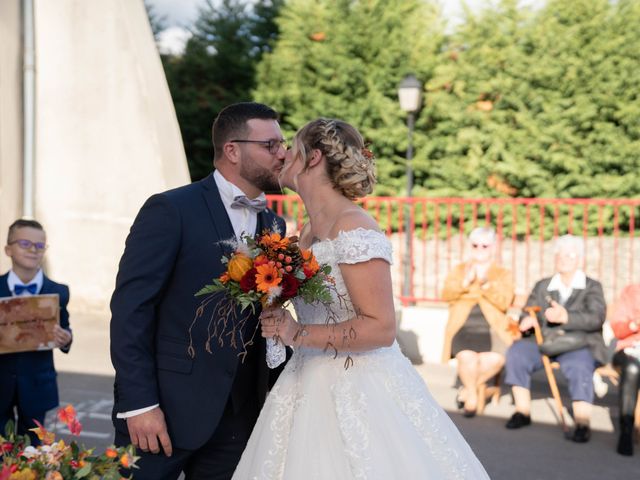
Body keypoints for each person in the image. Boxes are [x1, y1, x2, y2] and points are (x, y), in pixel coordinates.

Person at [232, 118, 490, 479]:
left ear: (315, 157)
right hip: (304, 380)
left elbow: (381, 328)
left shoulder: (353, 226)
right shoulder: (305, 231)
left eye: (293, 146)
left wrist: (297, 333)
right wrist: (272, 299)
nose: (285, 153)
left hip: (361, 386)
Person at [110, 102, 287, 479]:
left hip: (238, 418)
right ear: (232, 150)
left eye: (282, 145)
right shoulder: (170, 209)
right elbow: (131, 309)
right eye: (271, 145)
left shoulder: (274, 223)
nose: (283, 154)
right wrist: (139, 404)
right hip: (164, 410)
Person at [504, 234, 607, 443]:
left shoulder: (592, 286)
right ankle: (522, 411)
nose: (563, 259)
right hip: (544, 342)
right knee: (517, 353)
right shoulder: (543, 286)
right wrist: (528, 320)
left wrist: (566, 317)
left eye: (570, 255)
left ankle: (582, 421)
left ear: (579, 259)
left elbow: (596, 318)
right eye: (560, 254)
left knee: (580, 365)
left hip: (578, 343)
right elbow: (528, 311)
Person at [0, 219, 72, 445]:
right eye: (25, 243)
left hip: (36, 383)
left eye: (40, 246)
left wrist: (66, 338)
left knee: (32, 447)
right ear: (8, 249)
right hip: (0, 382)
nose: (33, 249)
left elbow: (66, 327)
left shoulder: (57, 291)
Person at [441, 226, 515, 417]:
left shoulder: (502, 273)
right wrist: (464, 283)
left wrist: (486, 284)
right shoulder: (459, 270)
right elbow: (446, 295)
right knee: (468, 358)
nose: (480, 250)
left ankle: (467, 391)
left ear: (492, 248)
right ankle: (474, 396)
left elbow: (506, 301)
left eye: (485, 246)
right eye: (475, 245)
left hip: (493, 328)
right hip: (464, 326)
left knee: (495, 360)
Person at [609, 284, 640, 456]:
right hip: (630, 349)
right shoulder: (632, 292)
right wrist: (634, 323)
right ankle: (626, 431)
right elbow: (618, 328)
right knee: (632, 369)